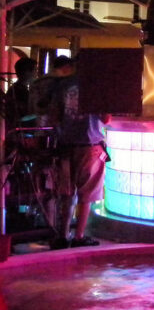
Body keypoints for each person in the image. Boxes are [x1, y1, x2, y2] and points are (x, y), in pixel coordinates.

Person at [43, 57, 109, 249]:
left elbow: (54, 116)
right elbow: (106, 118)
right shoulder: (97, 87)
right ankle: (79, 236)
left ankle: (62, 236)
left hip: (65, 144)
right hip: (89, 144)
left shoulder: (61, 86)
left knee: (66, 192)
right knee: (86, 193)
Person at [5, 57, 37, 129]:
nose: (36, 73)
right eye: (35, 70)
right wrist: (40, 114)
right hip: (19, 132)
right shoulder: (19, 91)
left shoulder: (16, 88)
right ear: (27, 72)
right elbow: (22, 117)